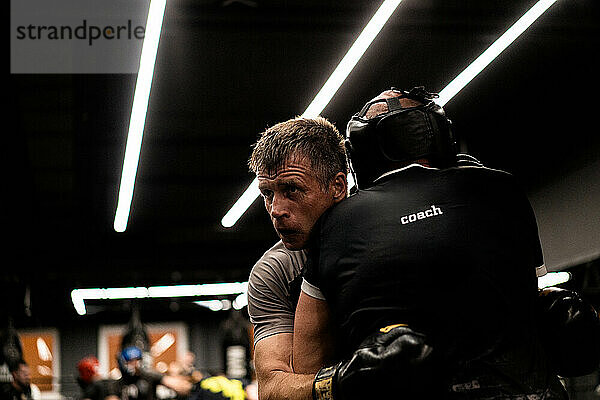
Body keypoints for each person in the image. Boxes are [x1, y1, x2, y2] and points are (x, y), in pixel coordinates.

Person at [291, 87, 570, 399]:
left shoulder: (335, 224)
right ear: (440, 134)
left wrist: (341, 381)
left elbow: (305, 365)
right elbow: (529, 298)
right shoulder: (502, 190)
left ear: (359, 154)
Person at [246, 116, 348, 400]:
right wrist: (345, 380)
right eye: (268, 194)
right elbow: (273, 388)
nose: (276, 209)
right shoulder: (273, 272)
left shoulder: (385, 237)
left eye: (291, 189)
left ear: (337, 187)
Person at [116, 346, 191, 400]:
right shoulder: (119, 382)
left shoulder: (149, 375)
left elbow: (182, 386)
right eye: (131, 362)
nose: (135, 365)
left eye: (137, 360)